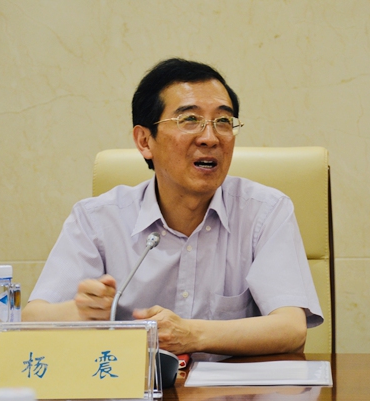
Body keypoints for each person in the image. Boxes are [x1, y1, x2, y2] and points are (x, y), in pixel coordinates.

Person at [23, 58, 323, 356]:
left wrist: (192, 335)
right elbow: (32, 320)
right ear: (145, 141)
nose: (210, 138)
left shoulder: (265, 212)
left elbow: (291, 329)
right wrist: (80, 312)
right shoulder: (97, 219)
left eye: (223, 121)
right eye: (190, 120)